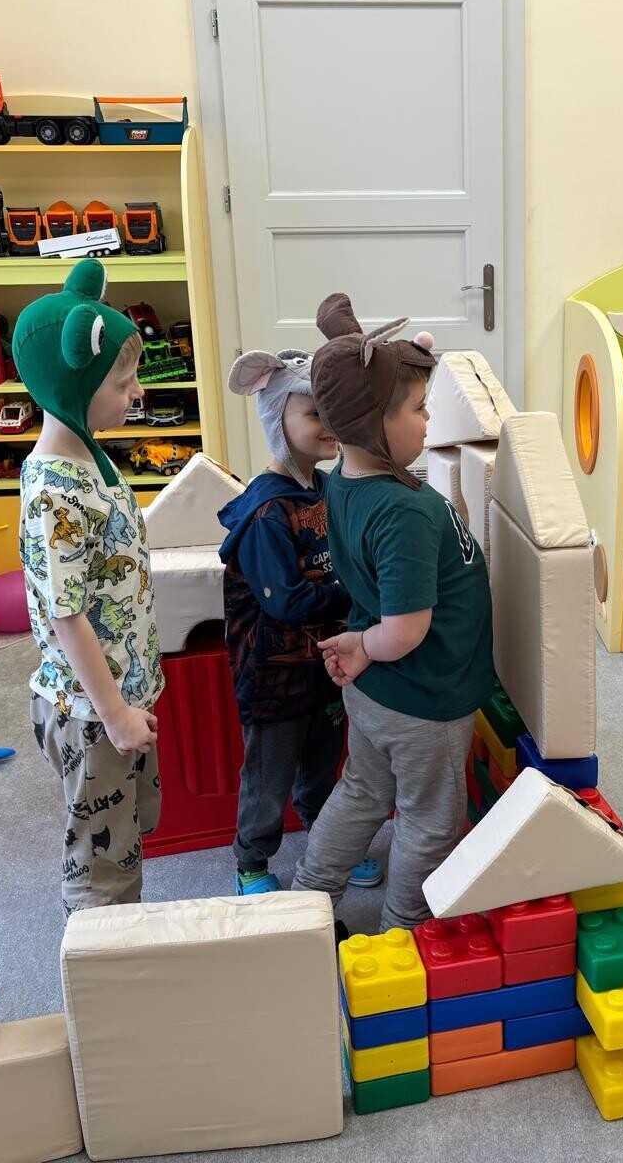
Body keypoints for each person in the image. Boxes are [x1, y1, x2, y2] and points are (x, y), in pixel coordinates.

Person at [291, 293, 494, 931]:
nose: (429, 419)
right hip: (422, 698)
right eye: (418, 408)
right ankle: (405, 928)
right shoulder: (404, 510)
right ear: (373, 422)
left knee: (362, 790)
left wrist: (363, 646)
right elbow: (406, 630)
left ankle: (307, 899)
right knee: (429, 820)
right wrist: (363, 645)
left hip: (377, 690)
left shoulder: (343, 482)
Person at [13, 258, 163, 914]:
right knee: (101, 865)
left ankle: (121, 942)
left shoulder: (87, 454)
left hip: (116, 697)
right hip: (91, 712)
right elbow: (67, 616)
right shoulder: (58, 494)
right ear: (74, 386)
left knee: (125, 835)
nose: (136, 393)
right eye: (123, 383)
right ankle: (103, 956)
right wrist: (115, 713)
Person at [218, 347, 381, 895]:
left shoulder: (326, 488)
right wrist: (354, 591)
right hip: (274, 677)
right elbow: (284, 602)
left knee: (322, 764)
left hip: (325, 665)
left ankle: (327, 841)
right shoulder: (267, 512)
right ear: (276, 421)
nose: (328, 424)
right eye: (313, 413)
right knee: (269, 775)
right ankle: (251, 862)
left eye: (331, 412)